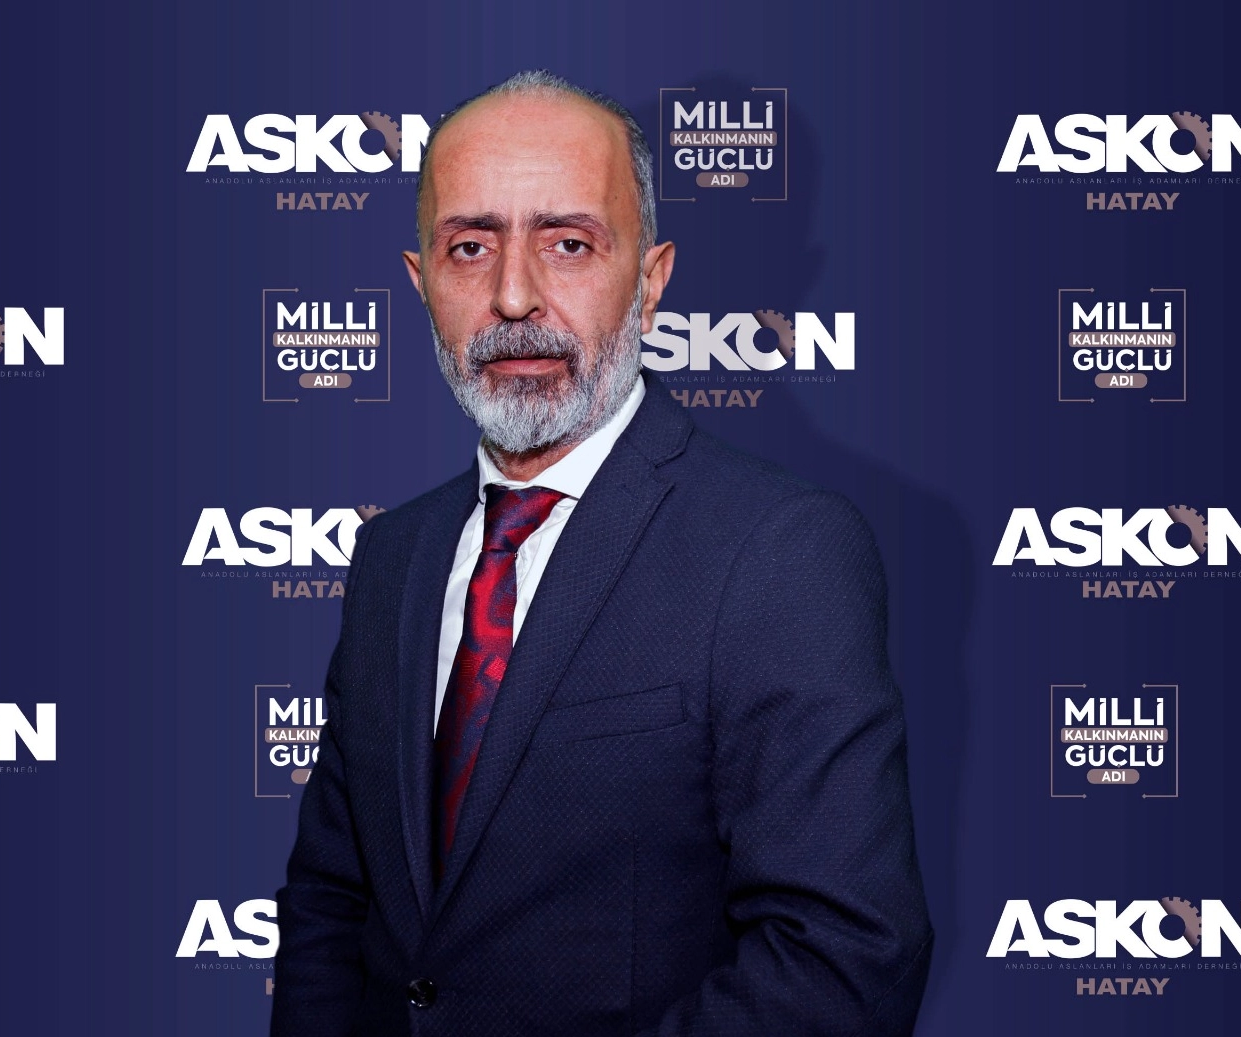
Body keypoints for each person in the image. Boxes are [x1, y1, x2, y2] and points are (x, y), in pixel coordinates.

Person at [272, 70, 932, 1037]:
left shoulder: (780, 552)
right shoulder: (391, 559)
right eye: (469, 247)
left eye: (569, 244)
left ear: (651, 280)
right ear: (420, 284)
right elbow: (331, 908)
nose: (514, 296)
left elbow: (844, 963)